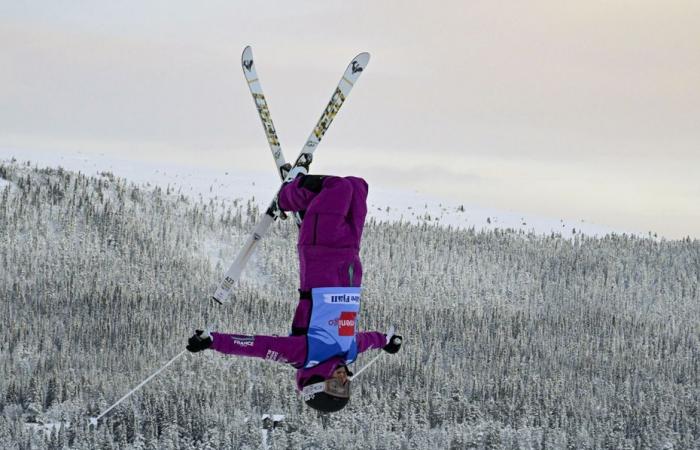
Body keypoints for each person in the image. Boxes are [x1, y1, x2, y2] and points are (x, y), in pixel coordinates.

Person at [187, 173, 402, 413]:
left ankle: (287, 197)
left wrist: (213, 341)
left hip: (319, 255)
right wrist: (386, 340)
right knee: (358, 186)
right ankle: (309, 209)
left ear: (317, 384)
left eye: (337, 387)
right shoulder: (349, 353)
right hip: (350, 260)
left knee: (339, 188)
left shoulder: (305, 354)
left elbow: (257, 346)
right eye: (346, 387)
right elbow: (367, 340)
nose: (344, 381)